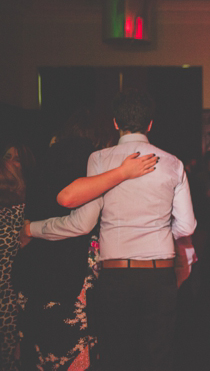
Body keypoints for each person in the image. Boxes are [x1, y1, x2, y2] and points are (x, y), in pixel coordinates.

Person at [22, 89, 197, 371]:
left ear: (115, 122)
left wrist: (33, 228)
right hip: (161, 273)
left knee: (118, 358)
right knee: (159, 358)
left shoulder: (100, 159)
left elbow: (82, 223)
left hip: (117, 275)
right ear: (150, 124)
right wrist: (158, 232)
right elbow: (188, 225)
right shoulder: (173, 163)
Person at [13, 108, 157, 370]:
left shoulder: (47, 156)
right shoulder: (87, 157)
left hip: (31, 277)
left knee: (35, 359)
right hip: (65, 281)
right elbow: (81, 223)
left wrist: (31, 230)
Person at [0, 147, 26, 371]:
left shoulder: (29, 210)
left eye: (15, 159)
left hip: (16, 295)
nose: (9, 163)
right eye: (6, 157)